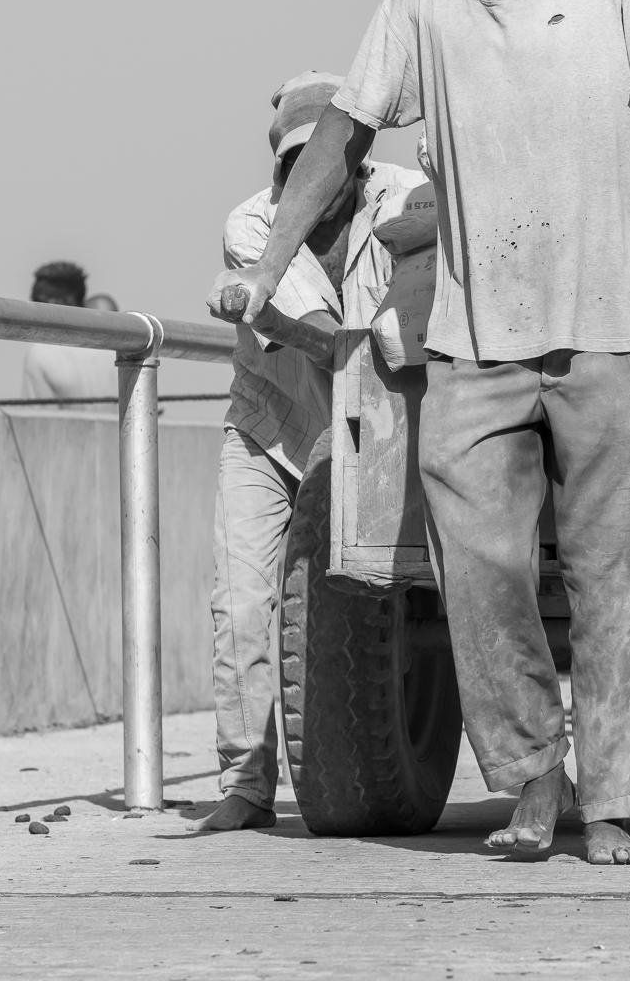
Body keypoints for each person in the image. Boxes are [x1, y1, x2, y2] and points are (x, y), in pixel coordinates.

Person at [209, 0, 630, 865]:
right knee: (475, 568)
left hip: (614, 327)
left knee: (622, 573)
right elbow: (343, 133)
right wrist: (269, 263)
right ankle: (530, 773)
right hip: (476, 337)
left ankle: (613, 799)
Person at [198, 71, 418, 832]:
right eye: (298, 167)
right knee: (242, 601)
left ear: (359, 166)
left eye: (330, 163)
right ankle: (246, 781)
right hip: (273, 430)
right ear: (279, 173)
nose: (314, 183)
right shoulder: (253, 227)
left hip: (377, 434)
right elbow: (333, 347)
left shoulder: (405, 200)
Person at [20, 262, 118, 401]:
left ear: (53, 303)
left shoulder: (41, 354)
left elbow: (39, 419)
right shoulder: (120, 351)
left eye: (35, 302)